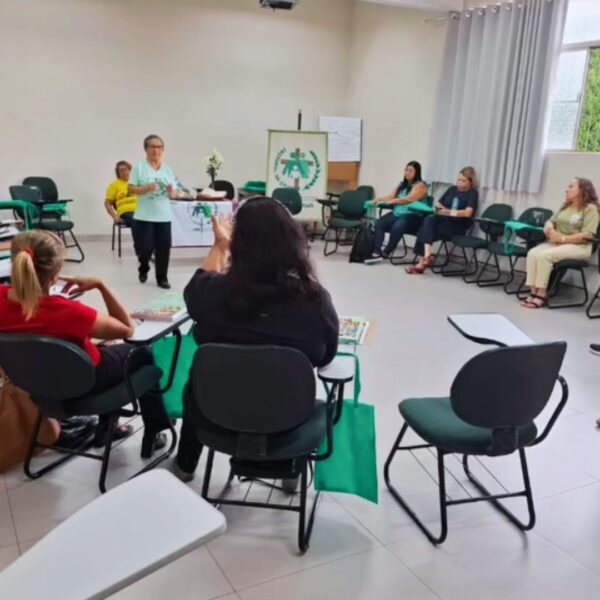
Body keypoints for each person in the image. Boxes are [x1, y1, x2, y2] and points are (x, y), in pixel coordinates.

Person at [174, 196, 339, 481]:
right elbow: (327, 356)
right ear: (292, 244)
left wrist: (219, 246)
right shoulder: (313, 300)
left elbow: (196, 288)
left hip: (214, 415)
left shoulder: (210, 293)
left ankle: (185, 466)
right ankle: (289, 473)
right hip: (289, 419)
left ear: (238, 245)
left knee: (198, 382)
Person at [0, 230, 171, 455]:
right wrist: (100, 286)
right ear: (55, 275)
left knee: (107, 348)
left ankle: (109, 426)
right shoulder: (68, 312)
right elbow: (128, 329)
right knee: (146, 351)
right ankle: (153, 432)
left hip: (36, 387)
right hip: (84, 386)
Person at [521, 178, 600, 309]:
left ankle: (541, 293)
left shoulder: (590, 209)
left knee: (545, 256)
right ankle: (533, 291)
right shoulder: (566, 206)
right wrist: (549, 227)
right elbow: (551, 221)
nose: (567, 190)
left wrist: (562, 239)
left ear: (582, 190)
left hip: (579, 247)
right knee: (533, 253)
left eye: (571, 186)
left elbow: (588, 235)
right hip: (558, 244)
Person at [406, 166, 479, 274]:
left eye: (463, 181)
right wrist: (440, 209)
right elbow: (439, 204)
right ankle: (427, 255)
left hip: (457, 226)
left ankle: (422, 263)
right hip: (443, 221)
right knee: (428, 221)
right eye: (458, 180)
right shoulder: (452, 189)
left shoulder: (472, 193)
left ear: (471, 182)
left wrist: (448, 211)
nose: (459, 183)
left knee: (425, 228)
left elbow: (468, 212)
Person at [128, 134, 179, 289]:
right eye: (153, 146)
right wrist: (146, 188)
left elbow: (175, 193)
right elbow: (130, 189)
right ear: (146, 149)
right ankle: (144, 266)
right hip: (144, 216)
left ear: (163, 150)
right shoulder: (139, 167)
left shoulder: (167, 169)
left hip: (163, 216)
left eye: (159, 147)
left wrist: (171, 193)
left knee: (163, 249)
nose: (156, 150)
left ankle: (162, 278)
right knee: (145, 248)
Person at [364, 161, 429, 264]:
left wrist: (394, 201)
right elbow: (390, 197)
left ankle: (386, 252)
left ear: (417, 172)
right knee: (380, 223)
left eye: (411, 171)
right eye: (406, 170)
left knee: (398, 226)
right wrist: (378, 199)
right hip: (397, 213)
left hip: (412, 216)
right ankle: (376, 251)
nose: (407, 172)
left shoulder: (421, 186)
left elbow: (409, 199)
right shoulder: (402, 184)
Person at [104, 161, 137, 228]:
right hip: (126, 212)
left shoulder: (137, 182)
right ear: (118, 173)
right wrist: (114, 216)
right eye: (121, 170)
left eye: (126, 169)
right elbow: (107, 203)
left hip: (141, 211)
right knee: (139, 223)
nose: (124, 172)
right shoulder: (114, 185)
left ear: (130, 170)